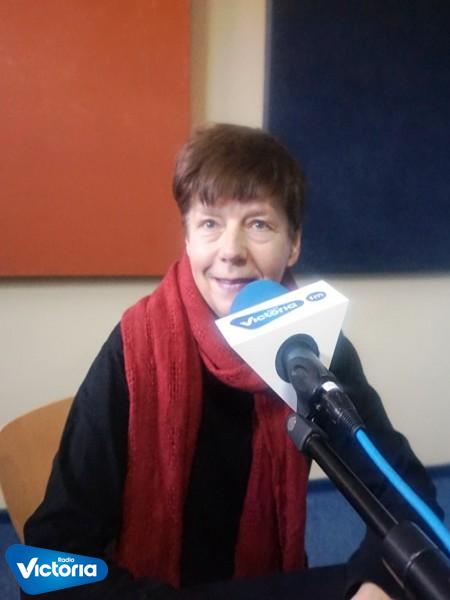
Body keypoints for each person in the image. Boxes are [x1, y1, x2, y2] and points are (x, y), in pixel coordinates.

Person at [24, 124, 443, 599]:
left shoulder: (312, 347)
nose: (231, 251)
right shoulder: (135, 349)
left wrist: (371, 581)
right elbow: (48, 561)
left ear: (294, 244)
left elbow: (407, 496)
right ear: (187, 239)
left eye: (259, 224)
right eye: (210, 224)